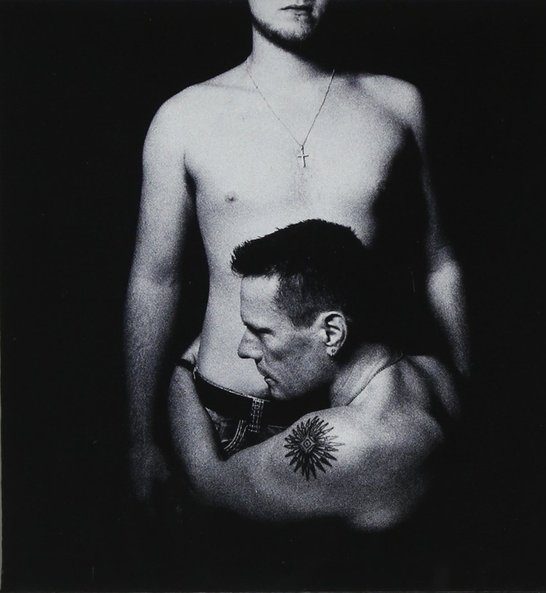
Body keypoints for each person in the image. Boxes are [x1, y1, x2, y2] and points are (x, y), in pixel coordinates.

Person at [125, 0, 469, 507]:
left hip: (368, 408)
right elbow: (155, 280)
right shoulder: (183, 118)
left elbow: (439, 263)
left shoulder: (397, 105)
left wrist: (466, 397)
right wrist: (139, 437)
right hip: (228, 417)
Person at [168, 220, 459, 532]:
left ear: (332, 333)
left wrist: (180, 372)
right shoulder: (433, 371)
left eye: (262, 332)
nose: (244, 349)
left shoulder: (342, 444)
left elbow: (207, 484)